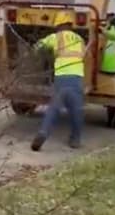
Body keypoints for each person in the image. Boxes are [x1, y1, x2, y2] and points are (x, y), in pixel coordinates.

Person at [30, 11, 86, 151]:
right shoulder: (80, 39)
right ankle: (75, 139)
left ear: (59, 25)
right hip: (77, 78)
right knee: (76, 110)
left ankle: (43, 133)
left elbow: (38, 47)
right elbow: (85, 56)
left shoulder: (55, 37)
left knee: (53, 108)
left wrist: (35, 51)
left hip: (61, 78)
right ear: (70, 25)